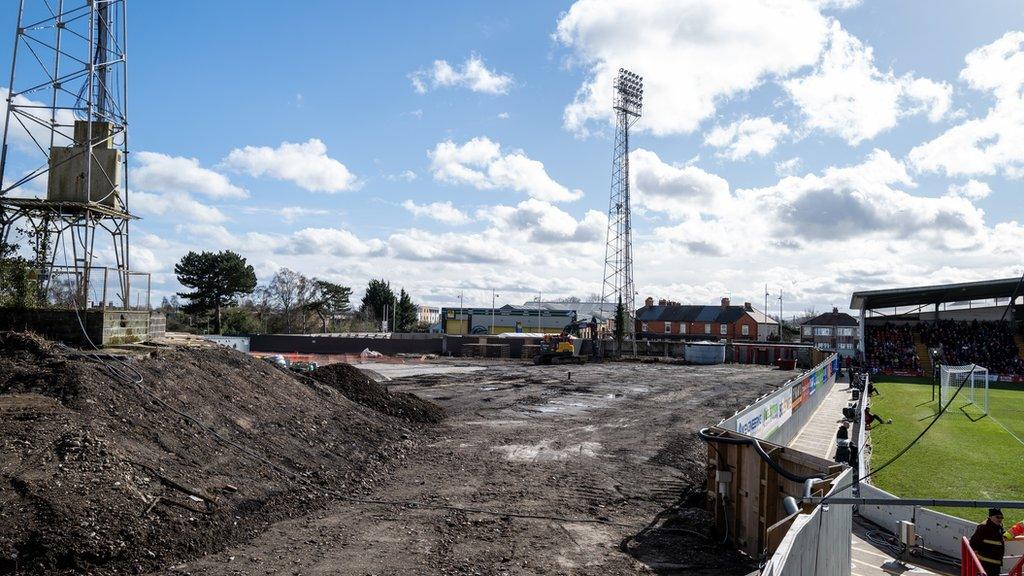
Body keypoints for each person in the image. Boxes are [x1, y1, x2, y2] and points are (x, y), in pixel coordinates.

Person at [970, 508, 1012, 576]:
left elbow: (999, 536)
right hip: (985, 562)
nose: (1000, 519)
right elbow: (973, 542)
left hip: (996, 563)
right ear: (991, 517)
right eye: (998, 517)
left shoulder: (999, 525)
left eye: (1001, 517)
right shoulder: (983, 527)